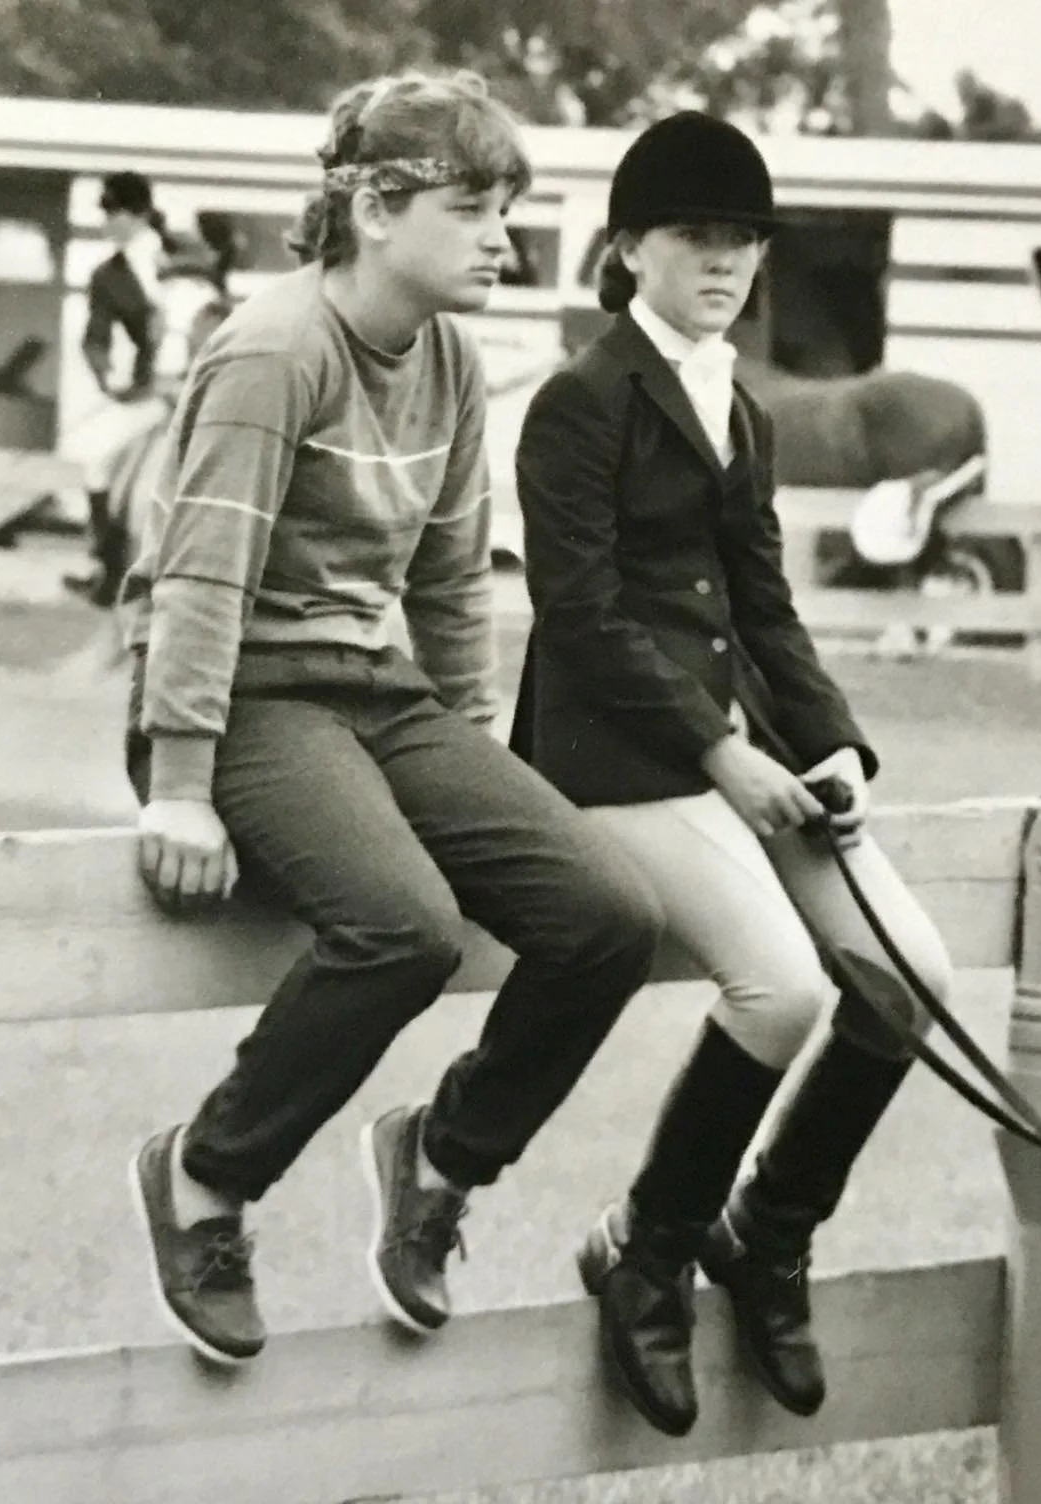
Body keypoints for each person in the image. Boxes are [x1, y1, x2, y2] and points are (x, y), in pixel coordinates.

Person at [120, 70, 662, 1368]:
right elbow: (201, 577)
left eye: (506, 210)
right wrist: (180, 782)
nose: (503, 239)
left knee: (608, 916)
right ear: (372, 211)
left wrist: (471, 748)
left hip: (377, 692)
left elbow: (450, 577)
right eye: (471, 209)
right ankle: (203, 1176)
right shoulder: (275, 349)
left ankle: (441, 1159)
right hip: (245, 697)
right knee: (403, 930)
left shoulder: (453, 359)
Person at [511, 111, 953, 1438]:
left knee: (912, 974)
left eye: (743, 242)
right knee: (778, 985)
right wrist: (721, 752)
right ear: (627, 248)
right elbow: (580, 613)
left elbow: (764, 605)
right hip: (611, 751)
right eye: (695, 237)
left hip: (743, 747)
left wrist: (828, 745)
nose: (722, 262)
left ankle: (769, 1227)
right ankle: (647, 1249)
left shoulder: (739, 409)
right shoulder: (578, 401)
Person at [63, 171, 176, 606]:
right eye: (107, 212)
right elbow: (95, 338)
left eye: (117, 212)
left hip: (190, 384)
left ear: (140, 213)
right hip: (146, 394)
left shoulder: (177, 259)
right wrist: (110, 378)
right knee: (97, 463)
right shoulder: (106, 275)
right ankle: (111, 571)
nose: (109, 221)